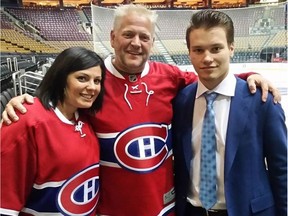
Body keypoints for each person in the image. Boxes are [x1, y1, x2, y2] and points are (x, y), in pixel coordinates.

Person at [0, 4, 282, 216]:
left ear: (152, 42)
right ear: (111, 38)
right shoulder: (93, 82)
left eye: (144, 37)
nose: (136, 43)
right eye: (128, 34)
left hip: (167, 208)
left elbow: (211, 80)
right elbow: (57, 105)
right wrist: (25, 104)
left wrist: (249, 77)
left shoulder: (170, 78)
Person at [172, 10, 287, 216]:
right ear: (189, 52)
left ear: (232, 48)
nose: (207, 58)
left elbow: (282, 168)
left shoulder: (262, 101)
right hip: (192, 210)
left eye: (216, 48)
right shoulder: (181, 101)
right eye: (198, 50)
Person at [0, 47, 106, 215]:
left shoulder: (87, 117)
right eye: (82, 78)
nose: (92, 87)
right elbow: (5, 203)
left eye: (97, 81)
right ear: (61, 77)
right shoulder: (27, 120)